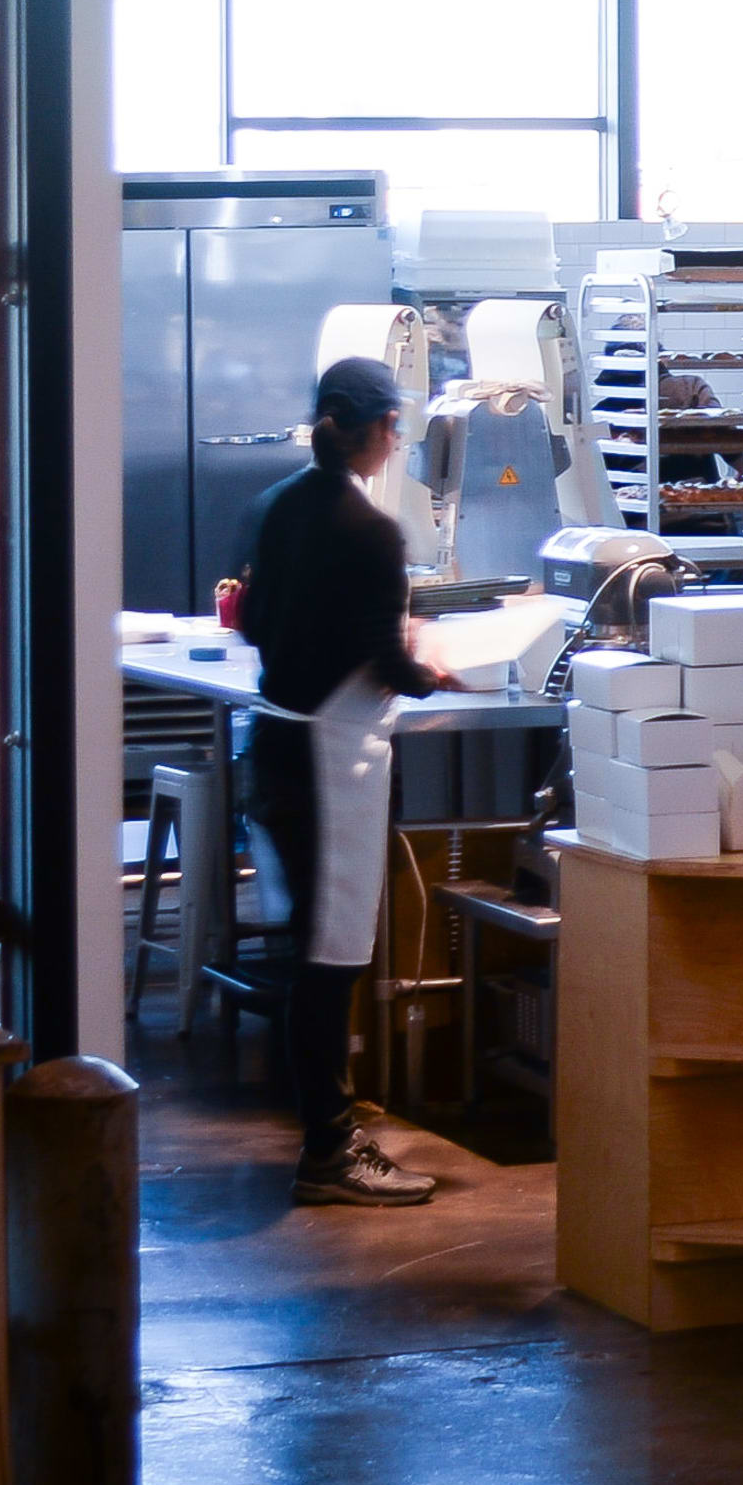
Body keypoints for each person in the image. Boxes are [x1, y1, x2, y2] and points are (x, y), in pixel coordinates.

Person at [234, 355, 453, 1208]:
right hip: (331, 761)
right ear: (371, 431)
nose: (397, 441)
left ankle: (330, 1125)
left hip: (277, 745)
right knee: (331, 961)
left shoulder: (273, 506)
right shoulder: (370, 534)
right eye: (395, 426)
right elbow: (393, 666)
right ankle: (328, 1148)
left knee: (310, 955)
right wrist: (438, 661)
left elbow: (252, 618)